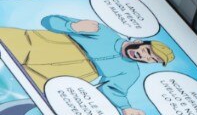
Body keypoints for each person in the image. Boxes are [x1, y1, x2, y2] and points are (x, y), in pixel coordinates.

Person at [0, 14, 175, 115]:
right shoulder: (103, 31)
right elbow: (49, 20)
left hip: (50, 76)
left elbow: (113, 91)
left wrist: (126, 108)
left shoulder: (130, 72)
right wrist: (73, 26)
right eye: (147, 51)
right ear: (139, 41)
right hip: (35, 43)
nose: (144, 56)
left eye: (152, 59)